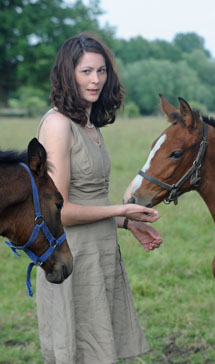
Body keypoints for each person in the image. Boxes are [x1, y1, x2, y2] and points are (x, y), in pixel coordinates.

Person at [35, 32, 163, 363]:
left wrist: (126, 222)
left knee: (101, 351)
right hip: (72, 256)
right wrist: (120, 207)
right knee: (77, 352)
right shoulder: (58, 125)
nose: (96, 80)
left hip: (101, 251)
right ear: (68, 74)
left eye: (101, 71)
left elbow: (91, 200)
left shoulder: (90, 125)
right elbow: (57, 211)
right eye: (86, 71)